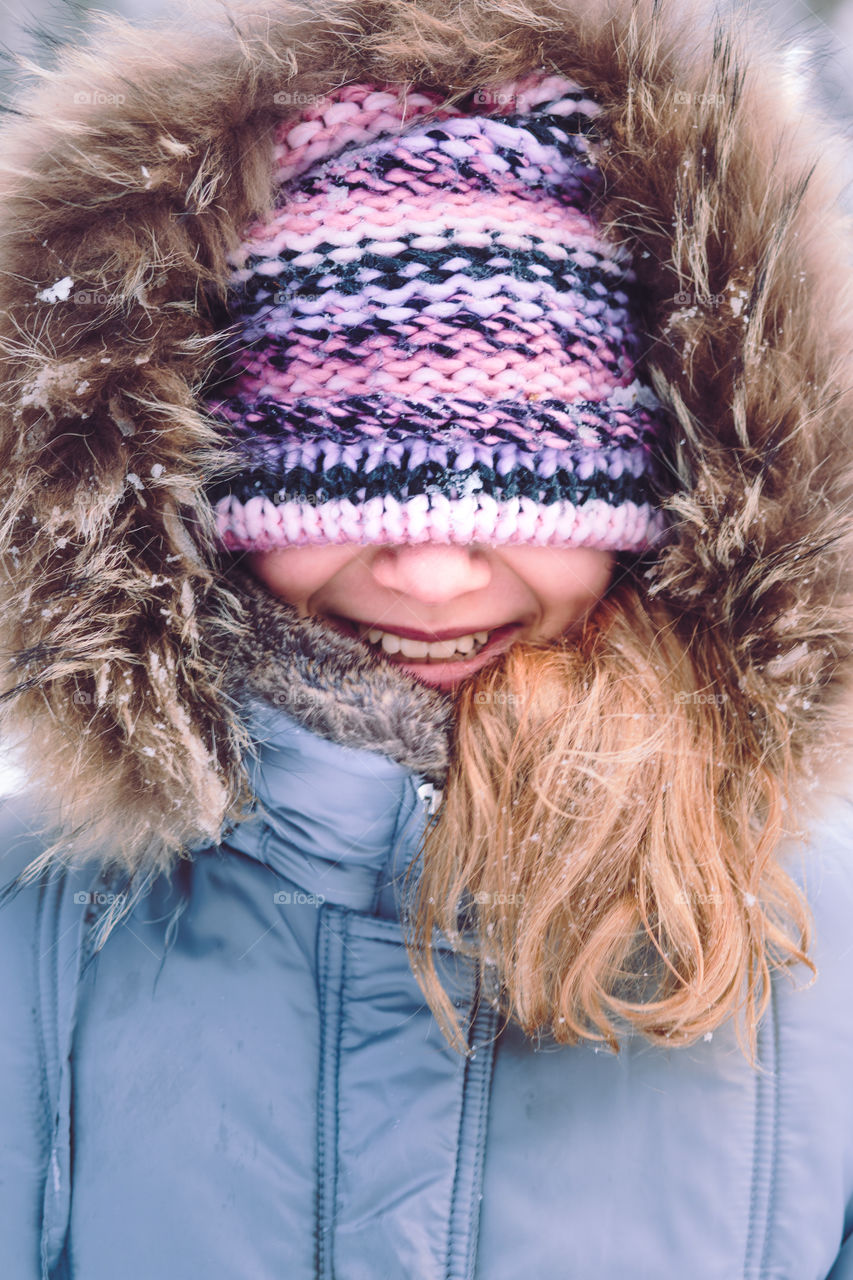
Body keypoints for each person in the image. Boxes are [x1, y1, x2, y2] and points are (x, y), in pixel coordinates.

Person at [1, 0, 852, 1275]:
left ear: (671, 485)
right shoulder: (41, 927)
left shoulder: (815, 944)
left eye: (530, 484)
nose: (436, 569)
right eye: (332, 479)